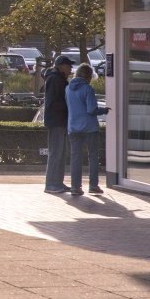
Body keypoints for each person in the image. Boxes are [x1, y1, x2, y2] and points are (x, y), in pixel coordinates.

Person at [66, 62, 107, 195]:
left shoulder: (68, 89)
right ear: (88, 76)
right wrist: (103, 110)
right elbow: (91, 110)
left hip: (73, 127)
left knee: (75, 158)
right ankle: (93, 185)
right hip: (89, 128)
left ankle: (75, 187)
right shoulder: (88, 89)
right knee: (93, 156)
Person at [43, 55, 74, 193]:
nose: (71, 68)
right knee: (56, 152)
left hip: (60, 121)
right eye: (68, 66)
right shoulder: (55, 79)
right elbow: (53, 102)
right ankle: (51, 184)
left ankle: (58, 182)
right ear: (61, 66)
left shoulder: (59, 79)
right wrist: (68, 106)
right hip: (56, 121)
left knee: (61, 152)